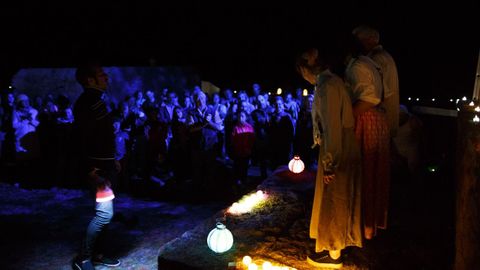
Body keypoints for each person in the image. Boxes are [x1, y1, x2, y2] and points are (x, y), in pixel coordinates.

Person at [297, 47, 363, 269]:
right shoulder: (331, 83)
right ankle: (333, 247)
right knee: (335, 197)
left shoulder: (327, 87)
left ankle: (334, 253)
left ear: (307, 69)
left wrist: (330, 163)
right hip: (340, 144)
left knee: (335, 197)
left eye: (301, 71)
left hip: (338, 146)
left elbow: (332, 127)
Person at [72, 62, 121, 270]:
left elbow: (103, 137)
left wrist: (112, 160)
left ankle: (98, 254)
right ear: (90, 80)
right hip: (97, 170)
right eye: (101, 75)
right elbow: (83, 138)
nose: (106, 77)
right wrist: (90, 169)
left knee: (105, 213)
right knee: (104, 214)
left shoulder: (94, 101)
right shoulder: (90, 103)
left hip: (103, 166)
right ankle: (83, 258)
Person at [344, 35, 391, 240]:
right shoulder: (371, 64)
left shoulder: (358, 66)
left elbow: (370, 97)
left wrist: (347, 116)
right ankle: (368, 225)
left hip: (366, 119)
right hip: (375, 119)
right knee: (372, 172)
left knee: (365, 172)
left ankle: (363, 226)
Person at [352, 25, 400, 138]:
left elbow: (373, 95)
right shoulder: (383, 57)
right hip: (384, 122)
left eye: (357, 40)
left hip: (378, 124)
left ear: (369, 40)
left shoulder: (375, 59)